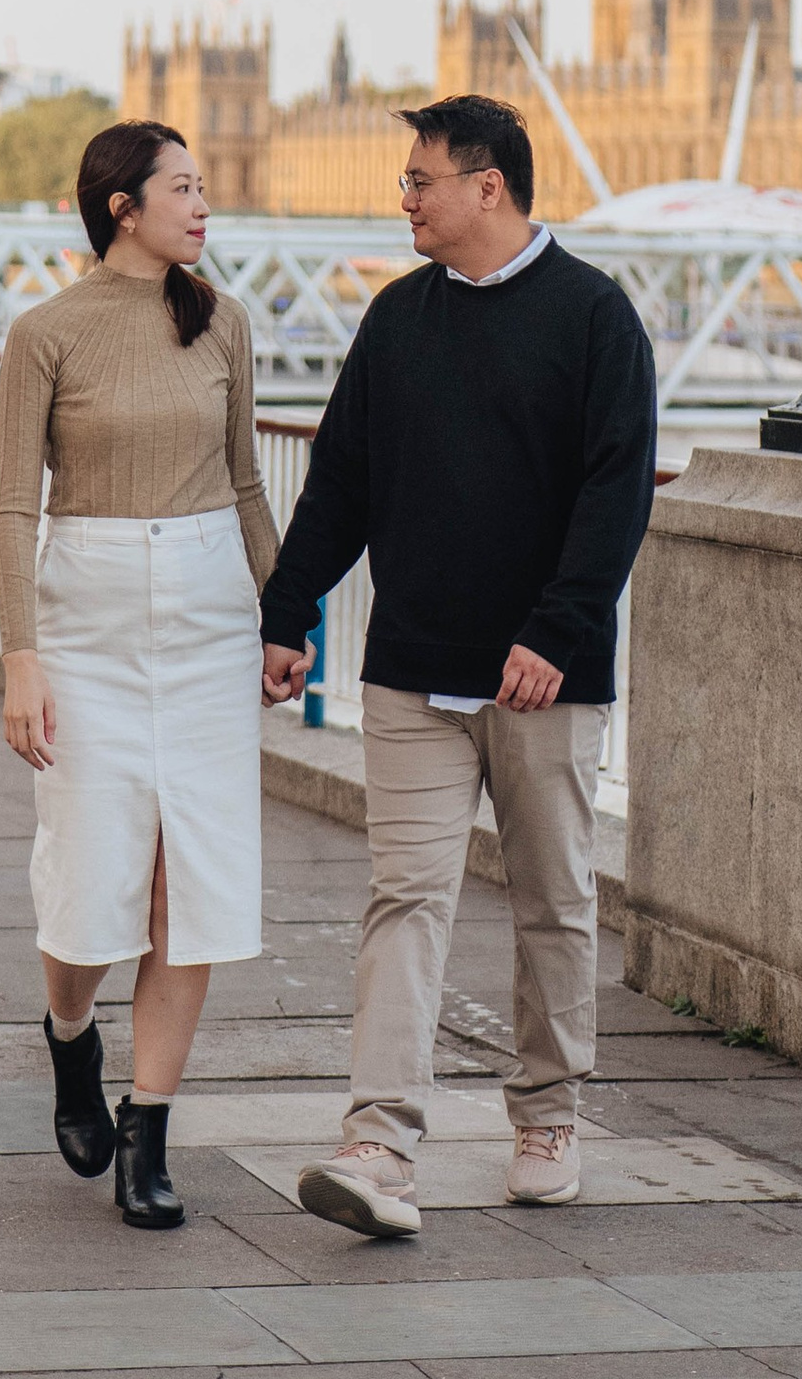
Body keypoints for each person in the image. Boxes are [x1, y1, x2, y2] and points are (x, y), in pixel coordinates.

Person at [259, 93, 657, 1239]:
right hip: (411, 669)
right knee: (405, 900)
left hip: (542, 675)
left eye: (421, 179)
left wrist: (557, 631)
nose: (405, 198)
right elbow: (341, 478)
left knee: (552, 903)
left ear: (489, 187)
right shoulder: (394, 320)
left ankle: (546, 1116)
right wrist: (292, 612)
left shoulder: (593, 319)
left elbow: (614, 491)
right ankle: (379, 1141)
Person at [0, 118, 279, 1229]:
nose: (203, 208)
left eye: (204, 189)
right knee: (90, 886)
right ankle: (70, 1034)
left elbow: (248, 484)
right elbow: (17, 505)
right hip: (88, 623)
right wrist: (22, 660)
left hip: (210, 618)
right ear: (124, 206)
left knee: (191, 888)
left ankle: (146, 1132)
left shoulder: (224, 323)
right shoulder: (45, 333)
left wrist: (281, 612)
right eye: (185, 190)